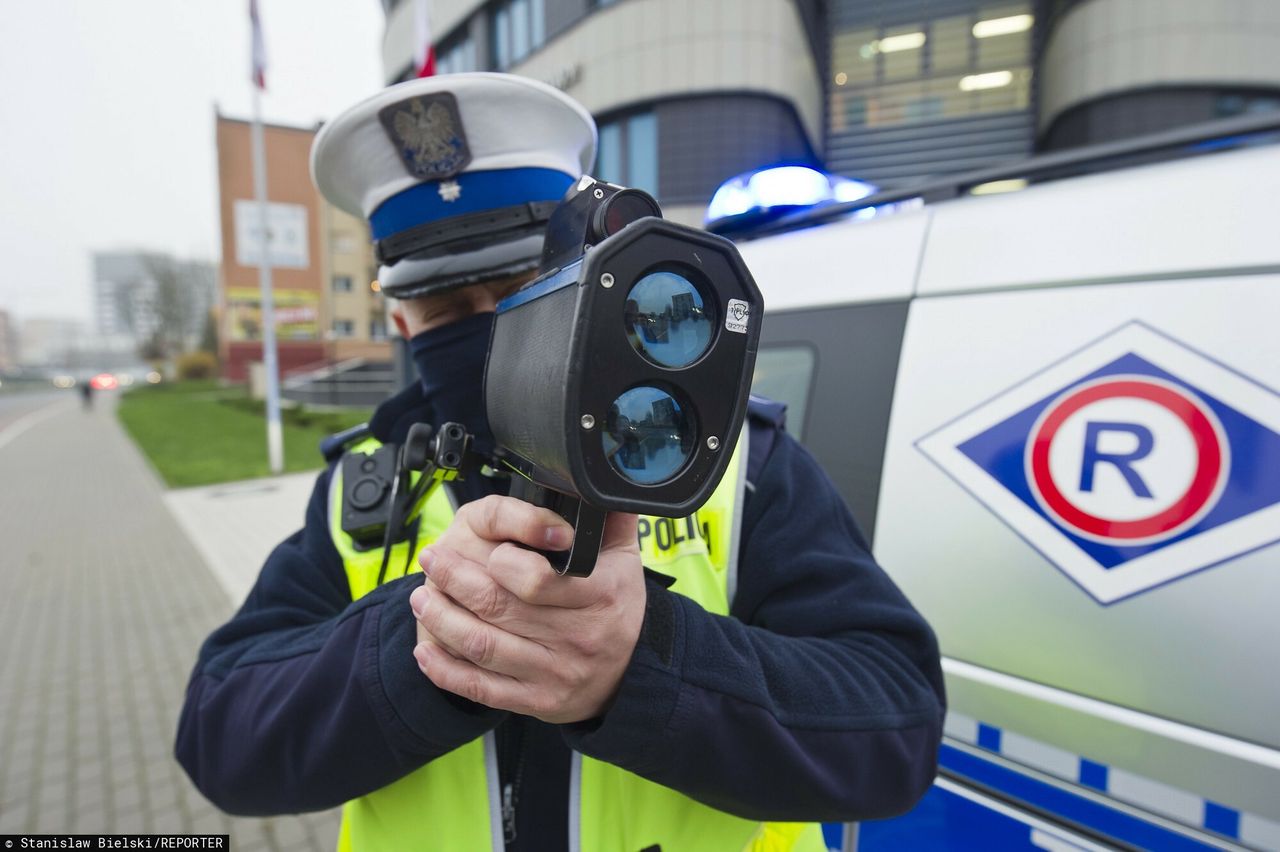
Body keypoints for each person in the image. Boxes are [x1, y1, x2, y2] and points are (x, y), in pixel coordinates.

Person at [176, 73, 946, 852]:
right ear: (401, 318)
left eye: (519, 290)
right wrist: (436, 639)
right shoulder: (362, 490)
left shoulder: (739, 467)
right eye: (444, 308)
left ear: (591, 278)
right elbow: (221, 737)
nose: (485, 328)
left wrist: (646, 666)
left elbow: (898, 723)